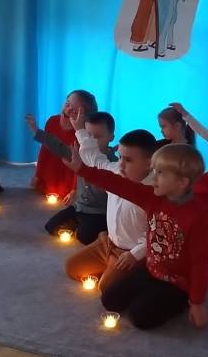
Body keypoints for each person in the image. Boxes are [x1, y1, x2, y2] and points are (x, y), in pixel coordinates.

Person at [65, 141, 208, 330]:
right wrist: (82, 169)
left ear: (182, 182)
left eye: (160, 173)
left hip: (177, 282)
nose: (154, 177)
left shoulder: (198, 217)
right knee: (110, 300)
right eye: (154, 171)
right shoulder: (152, 197)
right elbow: (118, 184)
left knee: (140, 318)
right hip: (150, 269)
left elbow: (201, 263)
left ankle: (179, 301)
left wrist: (197, 302)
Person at [65, 115, 158, 292]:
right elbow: (95, 159)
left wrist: (135, 254)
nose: (121, 164)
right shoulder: (116, 171)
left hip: (132, 253)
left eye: (128, 160)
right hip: (109, 243)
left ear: (150, 163)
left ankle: (129, 272)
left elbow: (157, 235)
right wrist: (80, 130)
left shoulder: (155, 191)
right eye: (120, 157)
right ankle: (110, 261)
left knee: (106, 289)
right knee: (72, 267)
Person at [40, 111, 114, 245]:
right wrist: (37, 131)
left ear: (111, 137)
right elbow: (59, 147)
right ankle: (81, 225)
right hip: (79, 207)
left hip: (99, 212)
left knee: (84, 236)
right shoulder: (80, 154)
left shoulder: (112, 164)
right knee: (51, 226)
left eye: (97, 137)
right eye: (88, 136)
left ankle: (100, 230)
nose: (92, 142)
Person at [26, 89, 97, 197]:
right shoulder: (52, 121)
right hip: (50, 171)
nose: (67, 110)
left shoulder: (82, 134)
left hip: (68, 177)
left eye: (75, 111)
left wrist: (75, 190)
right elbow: (45, 149)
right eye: (67, 104)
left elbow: (79, 165)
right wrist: (38, 174)